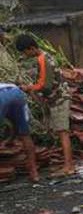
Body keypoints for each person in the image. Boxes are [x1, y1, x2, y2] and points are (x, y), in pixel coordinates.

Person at [15, 34, 75, 175]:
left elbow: (44, 85)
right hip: (55, 98)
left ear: (31, 48)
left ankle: (69, 166)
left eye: (25, 52)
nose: (25, 55)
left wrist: (29, 87)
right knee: (59, 132)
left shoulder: (43, 59)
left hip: (59, 99)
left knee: (63, 132)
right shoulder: (44, 57)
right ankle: (66, 164)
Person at [0, 83, 39, 182]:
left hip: (1, 96)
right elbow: (15, 124)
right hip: (16, 93)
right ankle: (34, 173)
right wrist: (10, 140)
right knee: (25, 134)